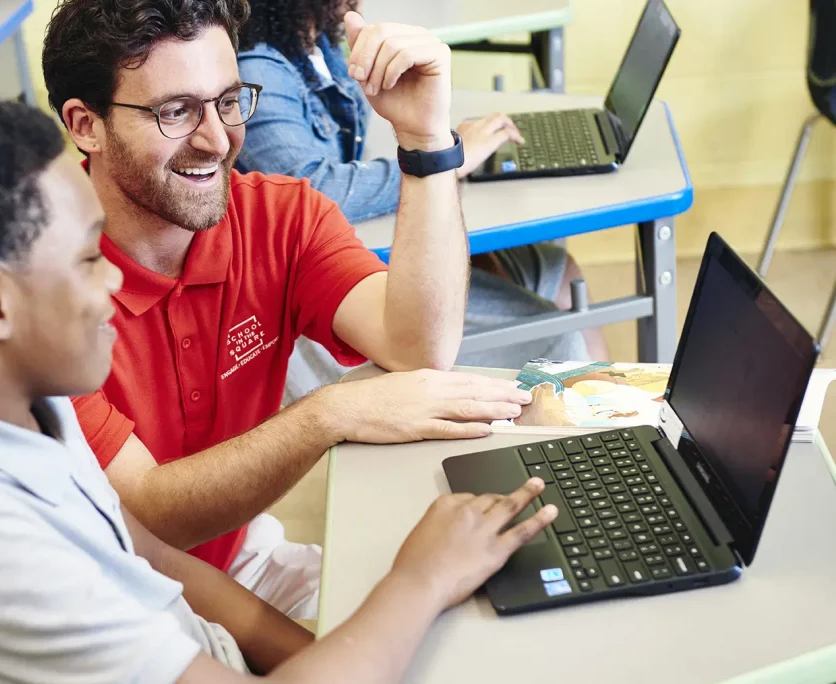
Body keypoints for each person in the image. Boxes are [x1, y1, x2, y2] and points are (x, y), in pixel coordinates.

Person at [0, 87, 558, 683]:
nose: (113, 276)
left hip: (194, 640)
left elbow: (145, 552)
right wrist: (418, 582)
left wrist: (319, 653)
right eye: (87, 259)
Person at [41, 0, 535, 618]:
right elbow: (149, 518)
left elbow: (417, 347)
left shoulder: (279, 216)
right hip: (108, 598)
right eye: (176, 111)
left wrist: (426, 142)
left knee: (465, 615)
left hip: (237, 559)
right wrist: (329, 414)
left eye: (227, 101)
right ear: (85, 124)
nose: (219, 141)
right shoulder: (45, 297)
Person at [235, 0, 609, 394]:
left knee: (561, 272)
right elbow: (316, 190)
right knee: (561, 339)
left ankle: (620, 433)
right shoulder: (260, 66)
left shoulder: (317, 40)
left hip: (362, 248)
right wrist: (443, 155)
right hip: (337, 285)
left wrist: (429, 137)